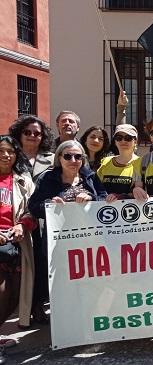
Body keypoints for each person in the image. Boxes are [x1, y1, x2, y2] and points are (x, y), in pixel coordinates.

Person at [8, 116, 55, 326]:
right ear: (19, 134)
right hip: (19, 218)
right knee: (21, 265)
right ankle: (18, 307)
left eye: (37, 133)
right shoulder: (11, 157)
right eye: (28, 132)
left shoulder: (52, 159)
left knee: (42, 262)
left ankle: (37, 306)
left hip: (45, 218)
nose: (33, 136)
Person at [0, 136, 36, 364]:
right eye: (1, 151)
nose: (6, 156)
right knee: (2, 291)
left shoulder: (23, 180)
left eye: (10, 152)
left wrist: (23, 226)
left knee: (14, 295)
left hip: (16, 243)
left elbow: (32, 210)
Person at [97, 124, 145, 203]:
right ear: (115, 141)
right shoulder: (105, 162)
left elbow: (143, 191)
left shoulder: (141, 162)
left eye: (128, 138)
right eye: (119, 138)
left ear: (135, 141)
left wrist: (120, 196)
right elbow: (97, 188)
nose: (123, 141)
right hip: (104, 210)